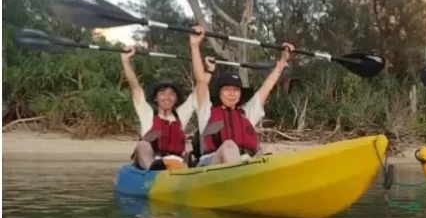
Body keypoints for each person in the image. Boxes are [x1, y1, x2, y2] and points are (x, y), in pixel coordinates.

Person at [190, 26, 295, 166]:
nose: (232, 94)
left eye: (236, 90)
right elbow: (201, 81)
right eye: (227, 89)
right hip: (212, 163)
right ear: (219, 93)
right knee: (229, 146)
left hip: (242, 162)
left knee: (266, 152)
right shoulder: (206, 112)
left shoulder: (246, 113)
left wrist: (282, 62)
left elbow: (266, 88)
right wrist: (195, 45)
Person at [121, 44, 198, 171]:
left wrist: (207, 71)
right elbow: (135, 87)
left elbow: (200, 87)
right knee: (143, 145)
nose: (167, 98)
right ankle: (154, 169)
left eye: (171, 94)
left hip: (175, 163)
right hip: (152, 162)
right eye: (162, 93)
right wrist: (125, 60)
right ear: (156, 98)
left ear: (176, 98)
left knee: (186, 153)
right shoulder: (147, 114)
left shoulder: (181, 115)